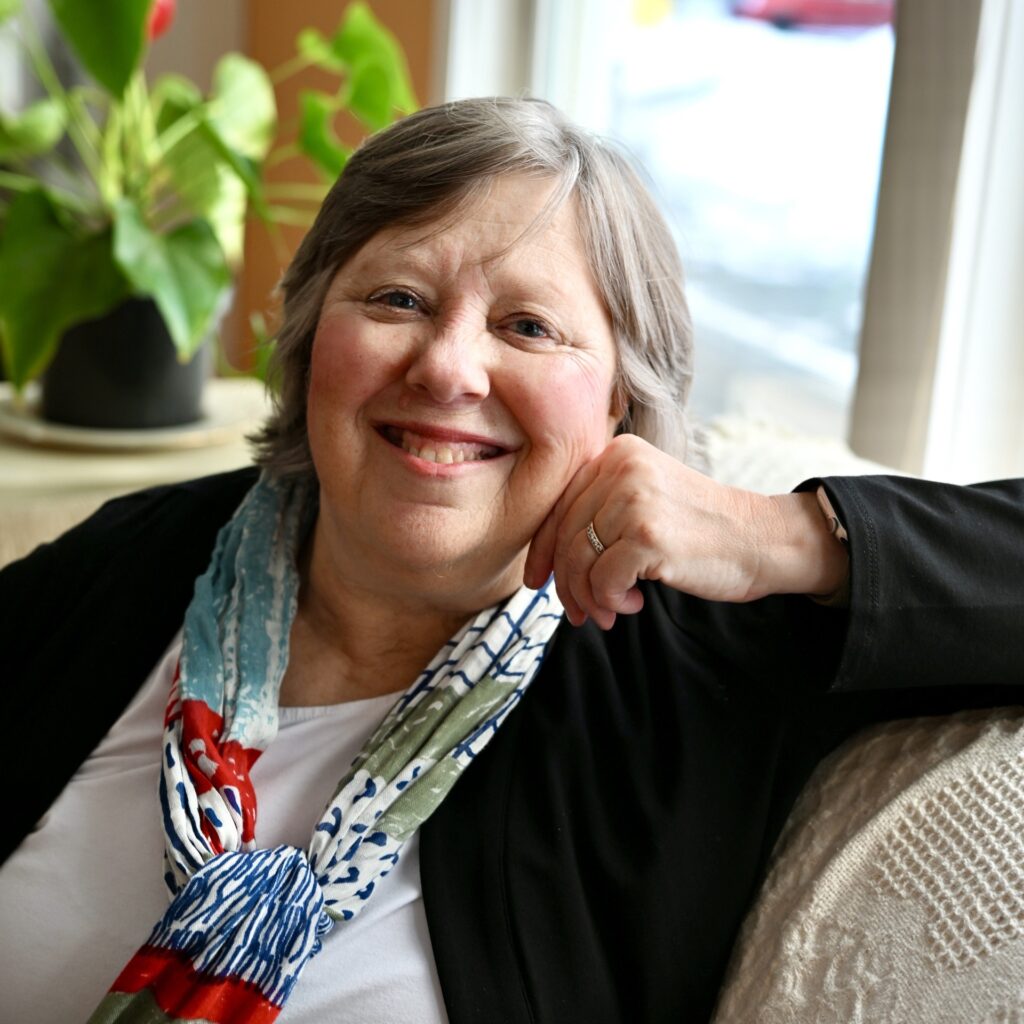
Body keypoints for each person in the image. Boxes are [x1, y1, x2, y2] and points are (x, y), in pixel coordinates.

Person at [1, 97, 1022, 1024]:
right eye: (396, 298)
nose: (447, 365)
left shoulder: (689, 661)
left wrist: (784, 536)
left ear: (618, 404)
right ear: (314, 338)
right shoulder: (142, 562)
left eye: (527, 327)